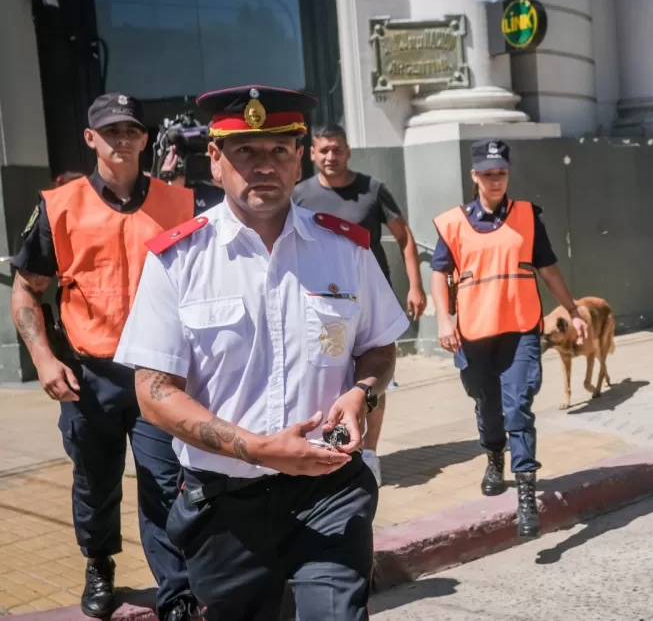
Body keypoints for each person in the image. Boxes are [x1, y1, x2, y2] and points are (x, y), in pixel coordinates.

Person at [113, 85, 409, 619]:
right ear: (216, 160)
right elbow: (154, 394)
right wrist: (255, 448)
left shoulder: (347, 251)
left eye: (278, 150)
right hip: (226, 505)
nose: (263, 166)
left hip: (330, 491)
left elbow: (379, 348)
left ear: (300, 160)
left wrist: (363, 392)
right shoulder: (177, 261)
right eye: (245, 151)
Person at [8, 94, 199, 620]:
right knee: (95, 482)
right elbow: (26, 291)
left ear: (144, 139)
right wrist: (44, 360)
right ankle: (99, 563)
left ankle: (176, 589)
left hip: (157, 372)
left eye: (131, 131)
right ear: (90, 138)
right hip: (88, 375)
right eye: (110, 131)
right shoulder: (59, 205)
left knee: (166, 481)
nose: (122, 139)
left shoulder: (178, 204)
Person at [430, 138, 588, 538]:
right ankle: (494, 456)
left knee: (518, 405)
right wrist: (444, 321)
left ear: (507, 174)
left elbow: (548, 268)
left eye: (500, 172)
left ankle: (526, 493)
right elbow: (438, 272)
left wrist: (571, 310)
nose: (494, 180)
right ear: (474, 176)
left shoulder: (526, 216)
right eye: (486, 173)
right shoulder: (453, 223)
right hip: (474, 332)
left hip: (520, 328)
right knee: (487, 403)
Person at [292, 122, 429, 485]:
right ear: (312, 154)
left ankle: (368, 452)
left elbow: (405, 237)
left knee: (372, 378)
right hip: (322, 305)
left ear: (348, 150)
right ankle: (333, 446)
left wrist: (415, 285)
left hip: (370, 302)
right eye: (323, 150)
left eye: (337, 149)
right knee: (331, 376)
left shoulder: (372, 190)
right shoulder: (300, 195)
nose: (330, 157)